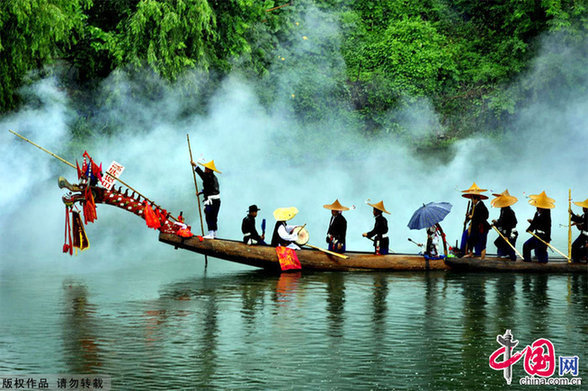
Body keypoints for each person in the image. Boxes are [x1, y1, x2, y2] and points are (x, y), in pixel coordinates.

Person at [191, 159, 221, 239]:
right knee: (214, 217)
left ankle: (211, 234)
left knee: (209, 216)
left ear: (209, 170)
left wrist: (195, 166)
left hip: (211, 201)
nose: (204, 170)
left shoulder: (208, 177)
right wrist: (200, 192)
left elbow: (202, 175)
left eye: (206, 169)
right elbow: (209, 188)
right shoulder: (214, 178)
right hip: (216, 201)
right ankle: (214, 233)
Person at [460, 183, 490, 259]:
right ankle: (467, 252)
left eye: (473, 199)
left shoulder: (481, 206)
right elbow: (470, 215)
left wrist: (473, 217)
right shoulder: (473, 205)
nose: (472, 201)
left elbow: (485, 216)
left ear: (476, 199)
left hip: (481, 227)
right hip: (474, 226)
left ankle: (479, 256)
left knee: (480, 241)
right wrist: (467, 220)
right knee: (468, 237)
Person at [523, 191, 554, 263]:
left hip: (543, 236)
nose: (537, 207)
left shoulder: (546, 215)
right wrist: (529, 229)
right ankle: (527, 261)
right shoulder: (537, 213)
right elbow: (534, 223)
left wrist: (547, 239)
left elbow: (548, 226)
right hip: (536, 235)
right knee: (526, 245)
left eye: (539, 206)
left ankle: (544, 264)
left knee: (541, 251)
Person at [491, 190, 518, 261]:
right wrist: (495, 223)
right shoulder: (503, 209)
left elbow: (512, 223)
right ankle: (503, 255)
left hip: (510, 233)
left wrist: (507, 235)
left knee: (510, 249)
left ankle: (512, 261)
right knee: (498, 242)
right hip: (505, 231)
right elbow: (502, 221)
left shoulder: (509, 211)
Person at [569, 198, 588, 263]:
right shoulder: (584, 215)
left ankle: (579, 260)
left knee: (585, 248)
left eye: (584, 207)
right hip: (583, 235)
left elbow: (580, 220)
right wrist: (572, 213)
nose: (582, 208)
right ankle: (575, 260)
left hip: (587, 236)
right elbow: (580, 219)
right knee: (574, 246)